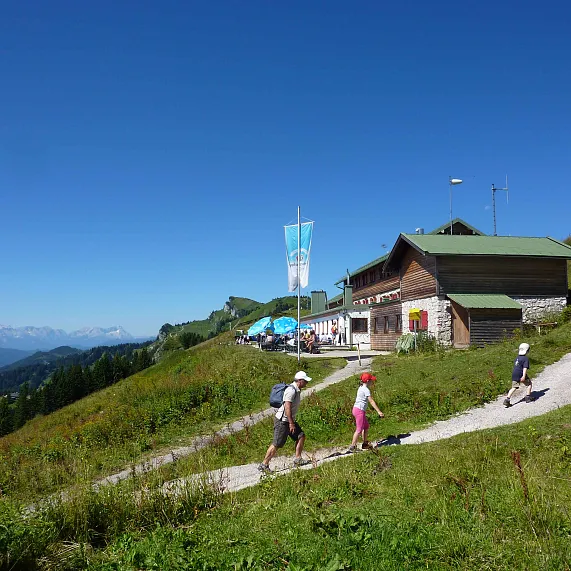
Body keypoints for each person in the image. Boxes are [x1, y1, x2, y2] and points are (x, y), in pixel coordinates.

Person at [258, 371, 312, 472]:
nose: (306, 383)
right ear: (300, 381)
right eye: (305, 381)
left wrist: (291, 422)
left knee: (301, 436)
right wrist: (291, 423)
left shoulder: (297, 389)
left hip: (289, 420)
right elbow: (287, 407)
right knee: (277, 443)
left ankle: (298, 459)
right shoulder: (291, 391)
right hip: (283, 421)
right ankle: (264, 464)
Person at [348, 372, 384, 452]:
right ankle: (352, 447)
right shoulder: (366, 390)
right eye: (371, 380)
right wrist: (379, 411)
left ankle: (365, 444)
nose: (372, 382)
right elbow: (371, 401)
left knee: (366, 426)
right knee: (359, 429)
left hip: (357, 409)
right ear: (368, 381)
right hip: (359, 411)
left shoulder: (360, 387)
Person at [504, 342, 533, 407]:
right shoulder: (525, 359)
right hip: (521, 374)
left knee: (514, 387)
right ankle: (528, 397)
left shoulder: (517, 358)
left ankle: (507, 399)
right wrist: (523, 376)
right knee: (529, 384)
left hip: (514, 374)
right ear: (527, 350)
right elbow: (525, 368)